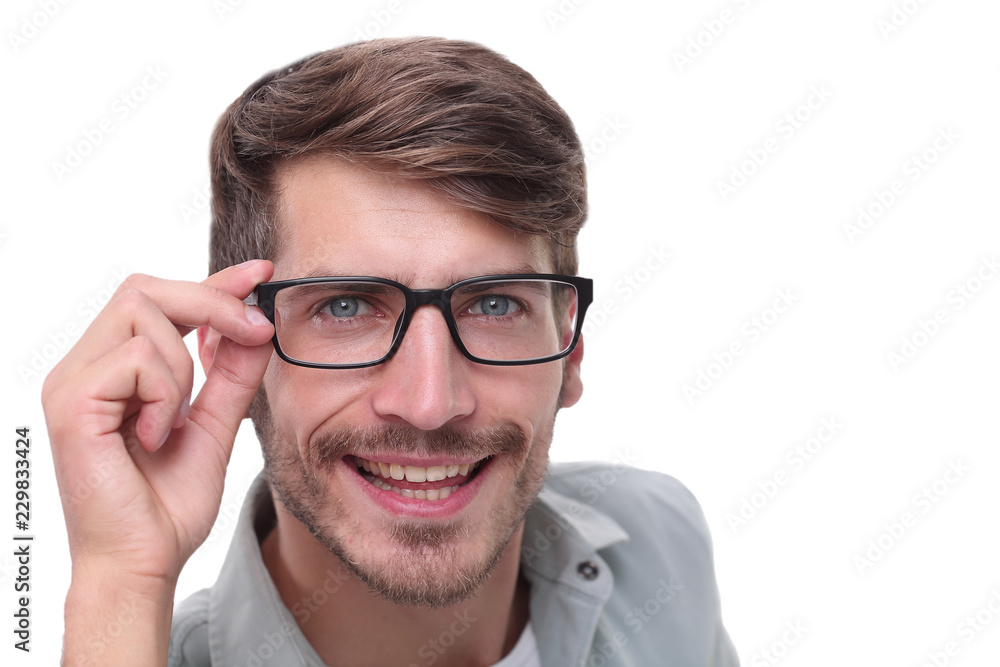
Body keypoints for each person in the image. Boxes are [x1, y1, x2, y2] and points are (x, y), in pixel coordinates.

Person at [43, 37, 738, 666]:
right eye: (345, 306)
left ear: (570, 348)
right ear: (236, 355)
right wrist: (120, 580)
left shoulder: (659, 541)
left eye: (495, 304)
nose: (430, 402)